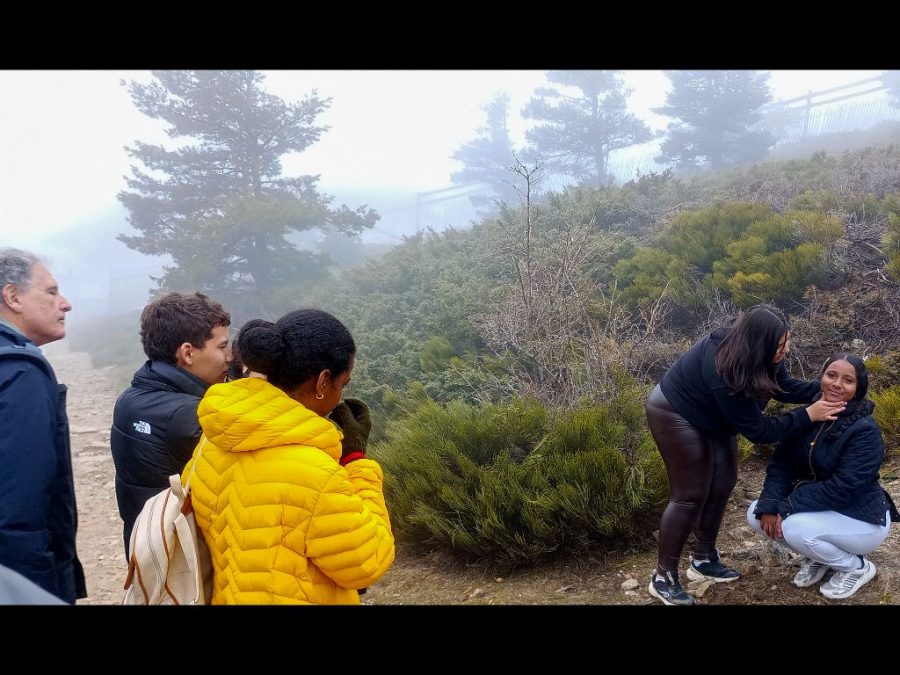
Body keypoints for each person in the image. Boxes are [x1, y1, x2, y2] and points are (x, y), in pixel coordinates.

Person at [182, 308, 395, 604]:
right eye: (341, 384)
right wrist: (357, 461)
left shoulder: (215, 440)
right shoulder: (314, 472)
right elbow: (367, 561)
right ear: (322, 381)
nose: (339, 395)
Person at [644, 304, 846, 605]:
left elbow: (782, 385)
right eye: (781, 345)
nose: (787, 349)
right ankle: (663, 576)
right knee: (689, 494)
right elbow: (759, 430)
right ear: (760, 344)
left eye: (787, 341)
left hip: (714, 417)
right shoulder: (722, 366)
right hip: (675, 412)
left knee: (723, 482)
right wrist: (808, 415)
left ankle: (703, 559)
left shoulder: (759, 351)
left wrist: (825, 389)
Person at [748, 354, 900, 600]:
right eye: (831, 375)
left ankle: (856, 568)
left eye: (847, 380)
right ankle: (819, 557)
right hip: (823, 510)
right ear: (821, 378)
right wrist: (770, 504)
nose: (837, 384)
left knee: (793, 527)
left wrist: (787, 506)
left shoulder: (864, 429)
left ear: (858, 387)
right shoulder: (809, 415)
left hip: (861, 517)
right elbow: (781, 465)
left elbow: (846, 486)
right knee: (756, 513)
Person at [110, 292, 232, 556]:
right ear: (187, 353)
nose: (230, 357)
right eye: (222, 347)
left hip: (145, 547)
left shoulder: (129, 399)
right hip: (185, 560)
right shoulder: (191, 415)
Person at [0, 248, 86, 603]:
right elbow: (19, 516)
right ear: (13, 296)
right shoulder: (19, 371)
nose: (65, 304)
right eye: (51, 292)